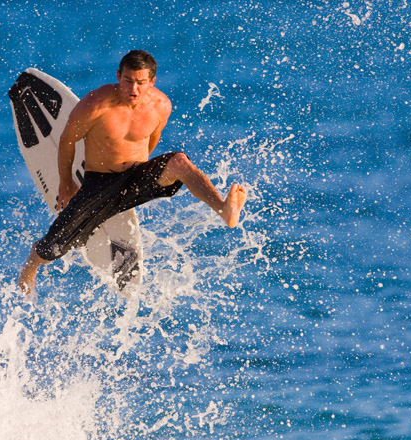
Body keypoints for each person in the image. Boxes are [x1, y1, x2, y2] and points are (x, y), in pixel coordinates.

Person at [18, 50, 247, 294]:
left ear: (152, 82)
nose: (133, 89)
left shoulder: (161, 106)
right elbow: (66, 141)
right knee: (56, 245)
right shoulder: (96, 105)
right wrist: (66, 183)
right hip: (100, 183)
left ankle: (223, 208)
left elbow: (151, 141)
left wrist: (146, 175)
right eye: (128, 81)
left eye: (141, 82)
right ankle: (31, 267)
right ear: (118, 76)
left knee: (179, 162)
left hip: (136, 176)